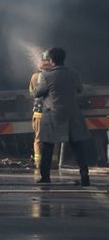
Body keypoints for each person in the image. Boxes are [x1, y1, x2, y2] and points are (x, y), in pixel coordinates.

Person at [33, 47, 90, 186]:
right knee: (77, 146)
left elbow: (37, 93)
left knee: (47, 146)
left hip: (53, 115)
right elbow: (79, 89)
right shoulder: (73, 74)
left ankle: (45, 177)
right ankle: (85, 177)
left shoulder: (47, 76)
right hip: (72, 115)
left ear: (51, 60)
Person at [29, 51, 53, 179]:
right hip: (52, 112)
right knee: (52, 139)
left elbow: (32, 92)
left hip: (38, 113)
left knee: (38, 139)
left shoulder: (34, 77)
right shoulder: (56, 77)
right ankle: (52, 162)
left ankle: (38, 163)